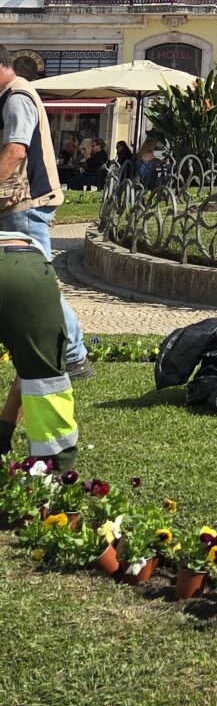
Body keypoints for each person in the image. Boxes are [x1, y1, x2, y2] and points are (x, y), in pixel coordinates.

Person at [0, 47, 89, 377]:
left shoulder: (17, 98)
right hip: (21, 203)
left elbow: (15, 151)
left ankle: (74, 354)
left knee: (40, 284)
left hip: (25, 204)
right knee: (36, 281)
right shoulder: (10, 96)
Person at [0, 197, 79, 459]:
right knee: (43, 379)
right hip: (28, 263)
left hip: (25, 262)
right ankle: (53, 467)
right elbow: (33, 372)